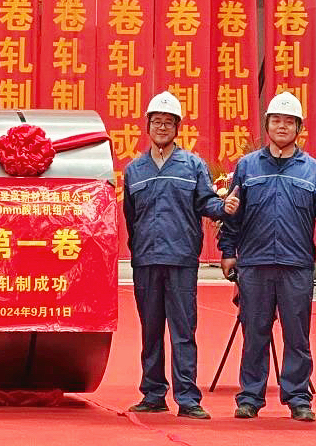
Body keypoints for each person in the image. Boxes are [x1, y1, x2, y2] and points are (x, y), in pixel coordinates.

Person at [219, 91, 316, 422]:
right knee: (254, 333)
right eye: (276, 121)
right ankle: (250, 397)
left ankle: (298, 397)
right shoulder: (247, 166)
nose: (282, 126)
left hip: (296, 265)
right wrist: (228, 252)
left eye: (289, 122)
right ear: (267, 125)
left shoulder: (312, 170)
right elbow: (233, 214)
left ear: (299, 128)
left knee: (297, 336)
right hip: (254, 264)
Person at [122, 90, 227, 419]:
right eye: (157, 122)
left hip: (181, 260)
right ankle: (153, 393)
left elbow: (206, 203)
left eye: (169, 122)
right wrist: (139, 249)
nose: (162, 127)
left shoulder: (192, 165)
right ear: (148, 126)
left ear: (177, 127)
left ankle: (188, 397)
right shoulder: (134, 170)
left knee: (183, 331)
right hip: (146, 260)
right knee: (150, 331)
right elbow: (130, 216)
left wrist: (226, 207)